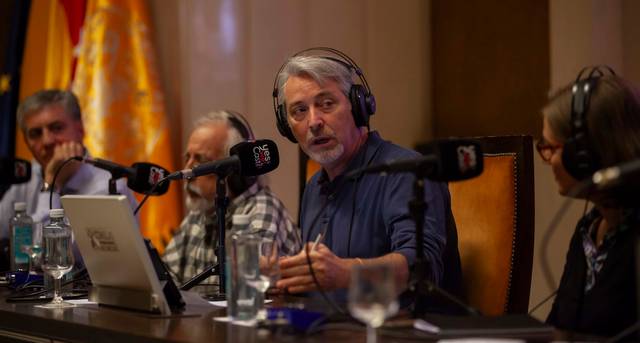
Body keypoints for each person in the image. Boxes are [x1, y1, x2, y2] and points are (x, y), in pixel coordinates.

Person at [272, 48, 458, 301]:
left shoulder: (408, 172)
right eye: (299, 111)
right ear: (287, 126)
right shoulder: (315, 186)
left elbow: (421, 270)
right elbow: (324, 285)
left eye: (327, 104)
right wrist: (284, 279)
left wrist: (347, 274)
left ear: (359, 106)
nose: (314, 122)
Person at [540, 68, 640, 337]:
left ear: (584, 154)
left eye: (550, 147)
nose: (547, 159)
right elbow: (558, 328)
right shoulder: (587, 231)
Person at [162, 110, 301, 284]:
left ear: (235, 171)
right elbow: (166, 278)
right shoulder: (202, 211)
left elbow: (248, 287)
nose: (188, 171)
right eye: (187, 158)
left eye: (201, 160)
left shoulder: (262, 209)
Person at [0, 90, 137, 239]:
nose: (47, 141)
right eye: (35, 133)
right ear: (26, 142)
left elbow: (46, 252)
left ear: (80, 130)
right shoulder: (28, 178)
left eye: (57, 128)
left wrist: (51, 183)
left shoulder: (108, 188)